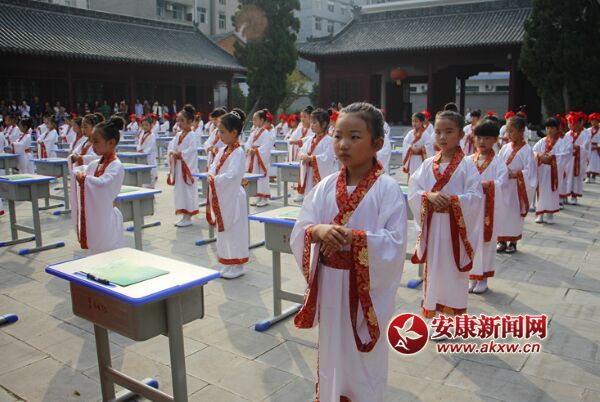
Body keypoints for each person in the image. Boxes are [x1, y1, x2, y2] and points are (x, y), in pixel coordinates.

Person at [291, 102, 407, 402]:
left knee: (363, 359)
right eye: (338, 136)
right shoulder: (325, 186)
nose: (343, 144)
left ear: (377, 144)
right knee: (332, 349)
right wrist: (317, 231)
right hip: (331, 284)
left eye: (354, 137)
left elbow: (395, 243)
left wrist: (354, 240)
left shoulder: (387, 189)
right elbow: (303, 227)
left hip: (363, 289)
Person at [409, 110, 483, 326]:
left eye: (449, 132)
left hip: (455, 230)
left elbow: (476, 197)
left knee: (452, 272)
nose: (442, 137)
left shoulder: (467, 165)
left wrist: (453, 201)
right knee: (434, 271)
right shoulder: (428, 164)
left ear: (461, 134)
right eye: (438, 132)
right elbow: (414, 190)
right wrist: (428, 196)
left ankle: (450, 320)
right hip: (434, 228)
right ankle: (433, 315)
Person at [70, 116, 125, 254]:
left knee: (109, 251)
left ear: (111, 143)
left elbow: (103, 184)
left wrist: (84, 179)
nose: (92, 145)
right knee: (96, 252)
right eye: (92, 141)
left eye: (96, 142)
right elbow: (84, 171)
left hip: (108, 216)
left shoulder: (116, 166)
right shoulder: (95, 164)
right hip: (96, 215)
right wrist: (80, 175)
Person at [206, 108, 250, 279]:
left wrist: (215, 180)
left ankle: (238, 264)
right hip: (224, 195)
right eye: (219, 131)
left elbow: (233, 175)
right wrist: (211, 175)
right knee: (225, 232)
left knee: (235, 230)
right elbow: (213, 166)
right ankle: (228, 261)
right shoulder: (224, 150)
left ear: (234, 132)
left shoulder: (238, 152)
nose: (220, 135)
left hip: (233, 197)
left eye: (222, 132)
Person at [468, 120, 508, 294]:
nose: (481, 141)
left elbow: (502, 184)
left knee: (485, 242)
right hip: (472, 208)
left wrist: (487, 185)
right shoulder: (468, 160)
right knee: (471, 241)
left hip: (488, 209)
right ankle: (472, 276)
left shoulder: (498, 162)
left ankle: (483, 277)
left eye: (486, 138)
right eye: (479, 137)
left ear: (494, 140)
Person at [496, 115, 537, 254]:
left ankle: (513, 242)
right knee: (502, 213)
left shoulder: (527, 150)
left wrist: (516, 174)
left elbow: (530, 172)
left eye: (511, 131)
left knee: (514, 215)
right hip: (504, 186)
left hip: (517, 189)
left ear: (520, 131)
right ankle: (501, 240)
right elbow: (498, 163)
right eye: (507, 131)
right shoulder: (505, 148)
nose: (508, 134)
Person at [167, 104, 199, 227]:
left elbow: (192, 151)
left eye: (182, 120)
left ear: (190, 121)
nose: (179, 123)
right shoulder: (178, 135)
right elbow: (171, 145)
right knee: (180, 191)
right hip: (179, 167)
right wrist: (172, 152)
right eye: (178, 120)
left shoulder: (192, 135)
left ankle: (188, 216)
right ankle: (183, 215)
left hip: (187, 168)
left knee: (188, 191)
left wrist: (180, 154)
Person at [296, 108, 337, 202]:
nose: (311, 125)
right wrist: (302, 156)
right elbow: (301, 151)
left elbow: (327, 158)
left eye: (314, 122)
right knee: (309, 198)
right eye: (311, 122)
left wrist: (311, 158)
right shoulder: (310, 139)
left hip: (320, 175)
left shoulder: (329, 141)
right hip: (310, 173)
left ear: (324, 124)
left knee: (319, 199)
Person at [533, 117, 568, 224]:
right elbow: (533, 151)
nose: (549, 130)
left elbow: (565, 155)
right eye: (547, 127)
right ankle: (539, 213)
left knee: (552, 192)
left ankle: (550, 214)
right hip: (542, 171)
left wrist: (552, 158)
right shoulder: (542, 141)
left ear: (557, 129)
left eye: (552, 128)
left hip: (554, 172)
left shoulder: (562, 142)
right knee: (541, 191)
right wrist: (539, 155)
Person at [245, 109, 274, 207]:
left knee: (262, 177)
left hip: (260, 158)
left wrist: (256, 151)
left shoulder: (266, 133)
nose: (253, 121)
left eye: (255, 119)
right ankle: (258, 197)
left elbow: (266, 146)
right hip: (254, 157)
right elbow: (248, 142)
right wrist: (249, 149)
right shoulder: (254, 132)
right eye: (253, 119)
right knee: (256, 177)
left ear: (262, 120)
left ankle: (265, 198)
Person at [564, 112, 591, 204]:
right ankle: (564, 195)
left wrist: (578, 148)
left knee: (576, 178)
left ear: (579, 123)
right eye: (568, 123)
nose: (569, 125)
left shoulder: (585, 134)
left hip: (579, 160)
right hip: (569, 160)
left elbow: (586, 148)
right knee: (567, 177)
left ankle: (574, 196)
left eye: (571, 123)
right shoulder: (567, 134)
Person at [401, 112, 433, 182]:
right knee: (412, 176)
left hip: (421, 159)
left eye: (416, 121)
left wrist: (421, 149)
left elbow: (429, 146)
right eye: (413, 121)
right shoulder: (410, 133)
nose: (414, 123)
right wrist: (410, 148)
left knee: (420, 176)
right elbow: (405, 143)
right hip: (412, 158)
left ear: (422, 122)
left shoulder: (425, 134)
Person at [137, 116, 158, 188]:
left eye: (146, 125)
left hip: (149, 156)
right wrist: (139, 149)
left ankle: (151, 187)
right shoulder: (142, 133)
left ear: (151, 125)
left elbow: (150, 146)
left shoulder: (152, 135)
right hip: (142, 155)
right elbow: (139, 143)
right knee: (145, 173)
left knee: (151, 172)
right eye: (143, 125)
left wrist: (144, 151)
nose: (144, 127)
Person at [586, 113, 600, 182]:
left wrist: (597, 147)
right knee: (588, 162)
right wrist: (588, 146)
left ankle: (593, 177)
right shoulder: (588, 130)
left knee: (595, 163)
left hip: (596, 148)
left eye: (596, 121)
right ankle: (588, 177)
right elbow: (586, 139)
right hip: (589, 148)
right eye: (592, 121)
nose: (594, 122)